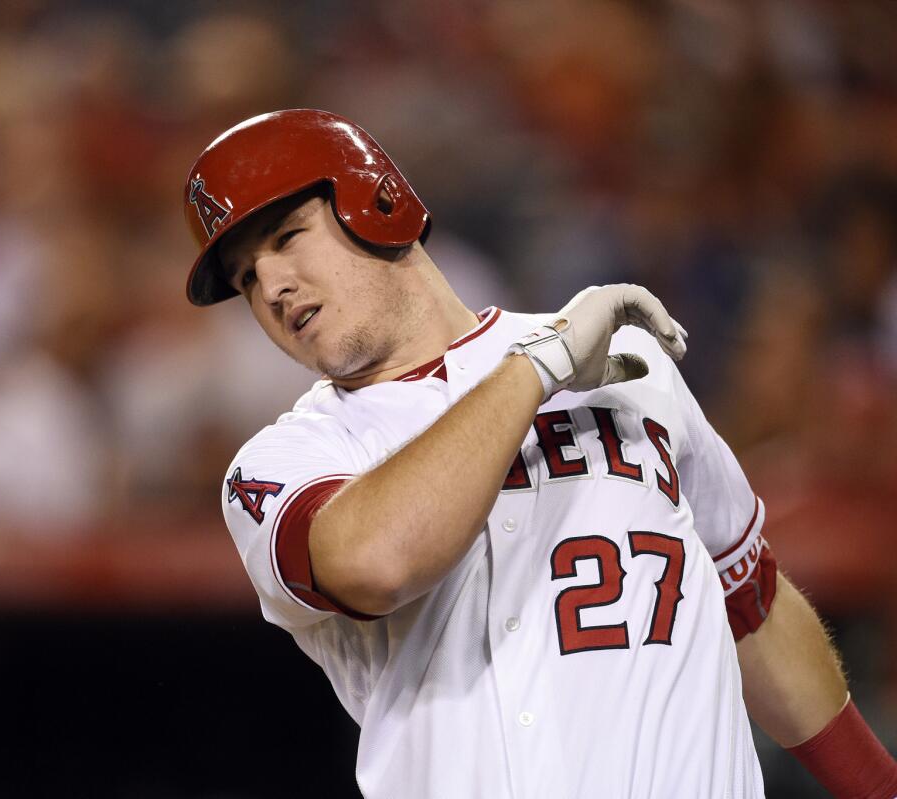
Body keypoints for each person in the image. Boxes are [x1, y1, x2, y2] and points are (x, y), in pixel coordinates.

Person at [181, 109, 897, 798]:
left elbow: (752, 604)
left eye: (288, 236)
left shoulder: (627, 362)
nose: (271, 287)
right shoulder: (283, 460)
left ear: (379, 201)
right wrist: (540, 366)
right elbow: (375, 562)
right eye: (246, 278)